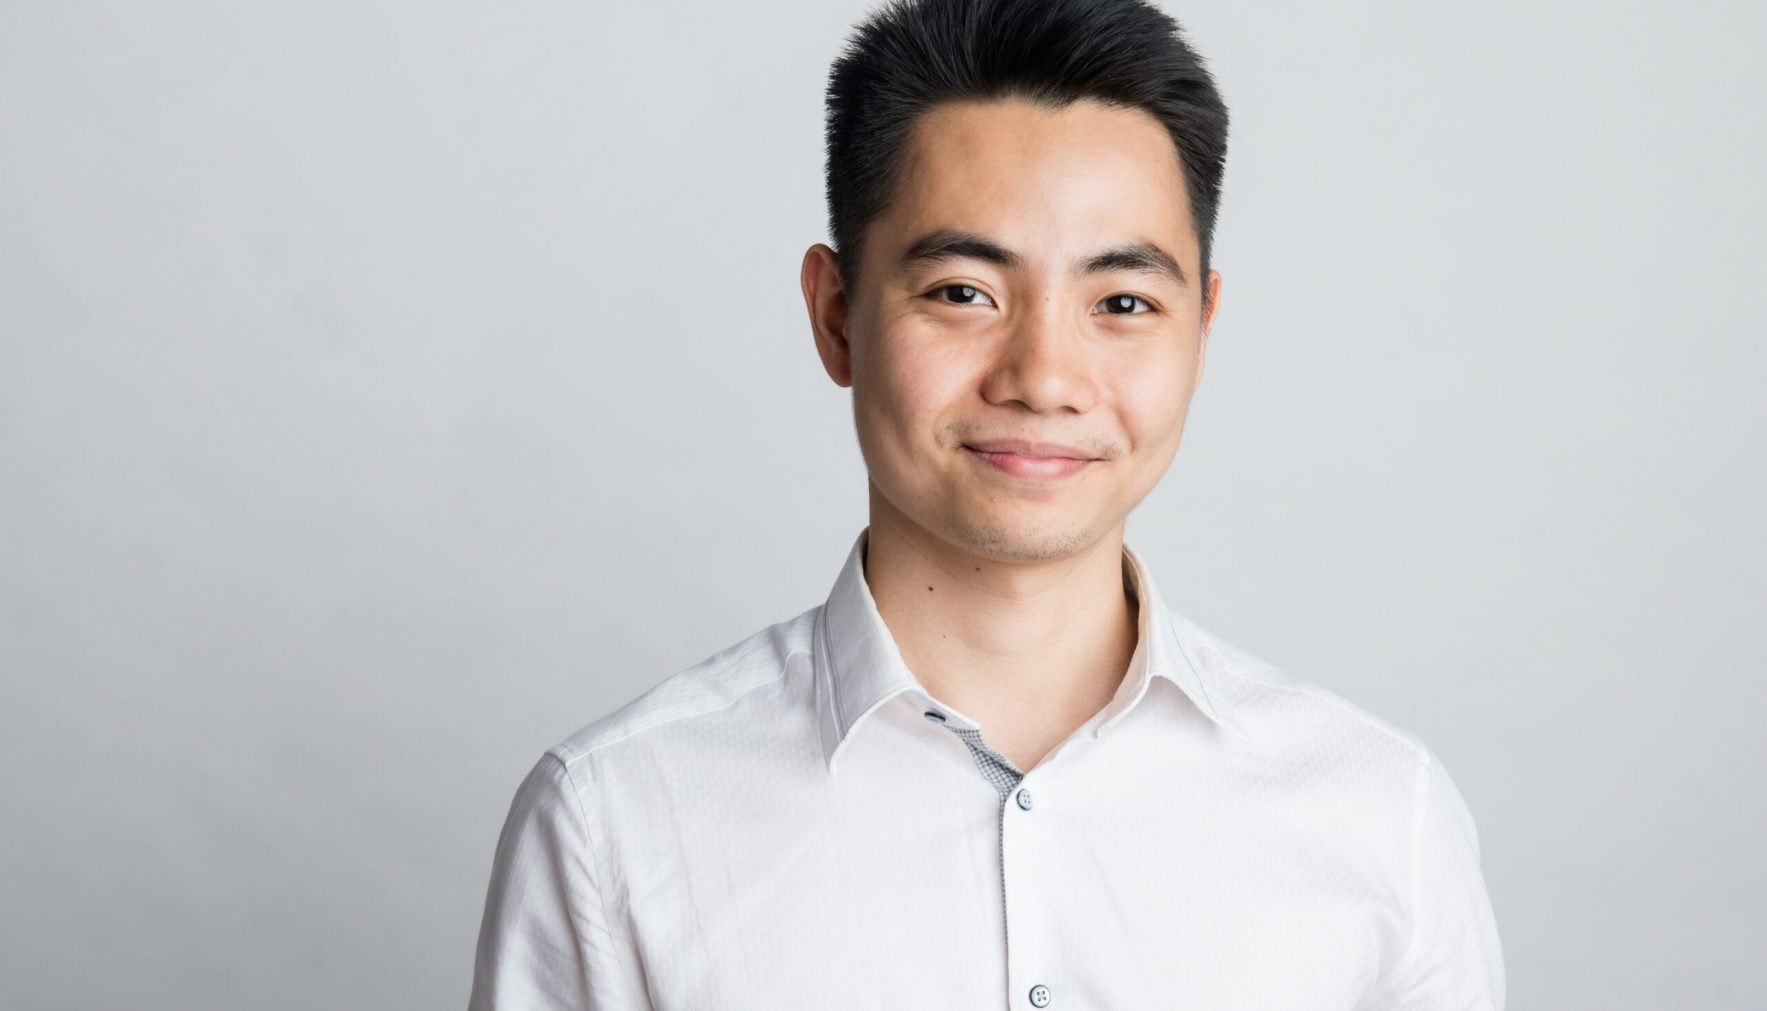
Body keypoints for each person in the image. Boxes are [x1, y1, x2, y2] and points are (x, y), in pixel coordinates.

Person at [468, 0, 1506, 1007]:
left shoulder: (1381, 820)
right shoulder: (618, 822)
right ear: (836, 317)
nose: (1044, 377)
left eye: (1124, 303)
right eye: (965, 292)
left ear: (1202, 328)